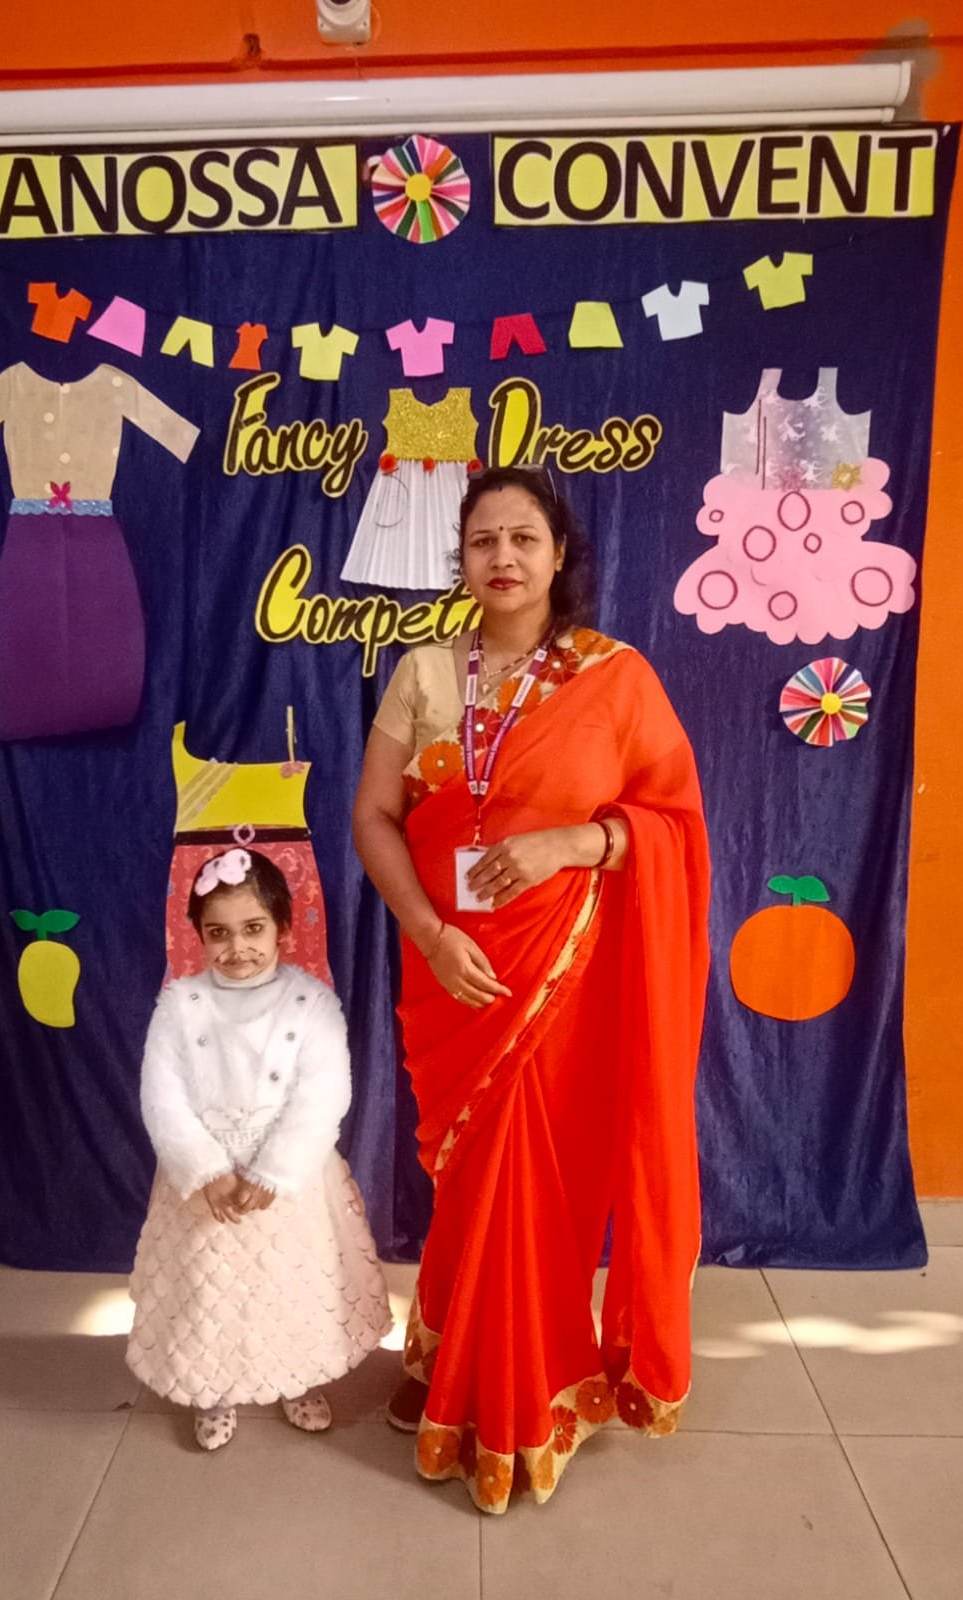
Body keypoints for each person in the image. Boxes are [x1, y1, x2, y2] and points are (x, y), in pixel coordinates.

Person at [352, 465, 710, 1513]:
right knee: (469, 1180)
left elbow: (677, 828)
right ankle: (450, 1353)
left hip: (565, 977)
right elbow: (374, 816)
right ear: (459, 561)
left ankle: (529, 1389)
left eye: (523, 538)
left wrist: (572, 841)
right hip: (450, 972)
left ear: (559, 556)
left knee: (537, 1183)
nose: (502, 557)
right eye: (481, 541)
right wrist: (428, 932)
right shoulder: (424, 672)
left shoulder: (617, 677)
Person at [126, 846, 392, 1451]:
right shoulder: (180, 1005)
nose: (237, 948)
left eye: (253, 929)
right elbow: (161, 1097)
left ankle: (296, 1376)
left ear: (283, 929)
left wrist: (275, 1170)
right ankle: (212, 1387)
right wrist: (206, 1170)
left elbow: (325, 1093)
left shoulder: (313, 1002)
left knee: (289, 1286)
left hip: (289, 1184)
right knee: (209, 1289)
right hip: (207, 1186)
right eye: (218, 933)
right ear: (197, 935)